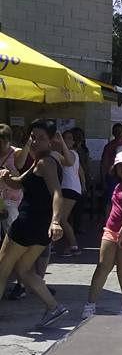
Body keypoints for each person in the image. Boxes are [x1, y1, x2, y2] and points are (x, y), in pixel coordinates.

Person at [0, 119, 68, 328]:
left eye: (41, 138)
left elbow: (57, 193)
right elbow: (19, 183)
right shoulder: (42, 160)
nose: (36, 141)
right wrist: (6, 177)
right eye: (33, 137)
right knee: (24, 270)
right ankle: (54, 307)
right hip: (40, 229)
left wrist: (56, 221)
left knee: (2, 268)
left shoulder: (45, 162)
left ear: (51, 140)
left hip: (28, 224)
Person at [82, 151, 122, 318]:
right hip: (111, 231)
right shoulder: (118, 186)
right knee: (102, 266)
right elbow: (113, 208)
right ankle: (90, 305)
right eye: (119, 165)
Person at [54, 128, 83, 256]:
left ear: (73, 142)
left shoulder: (72, 153)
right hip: (69, 188)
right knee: (61, 218)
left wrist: (60, 142)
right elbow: (80, 170)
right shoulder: (67, 153)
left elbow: (69, 162)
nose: (66, 140)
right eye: (64, 137)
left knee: (61, 219)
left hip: (69, 188)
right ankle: (54, 245)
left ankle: (74, 246)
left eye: (69, 138)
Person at [100, 123, 122, 207]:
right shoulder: (109, 146)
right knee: (111, 197)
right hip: (113, 176)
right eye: (116, 131)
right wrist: (103, 180)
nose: (118, 133)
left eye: (120, 131)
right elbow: (104, 164)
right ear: (113, 133)